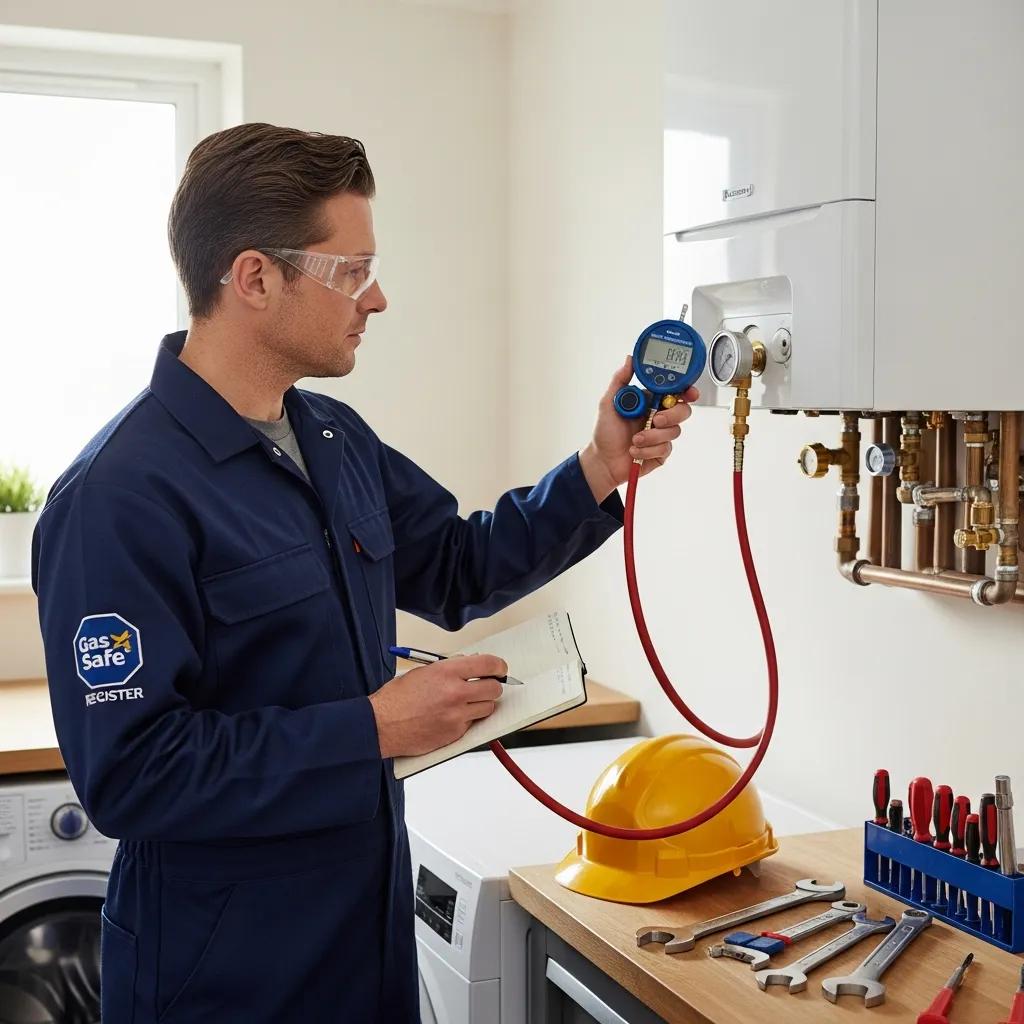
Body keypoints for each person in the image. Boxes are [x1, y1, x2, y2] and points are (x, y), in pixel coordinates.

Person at [31, 123, 697, 1023]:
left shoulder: (333, 440)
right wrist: (372, 729)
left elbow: (460, 567)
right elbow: (136, 775)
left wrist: (599, 466)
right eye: (350, 270)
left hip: (362, 944)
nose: (375, 298)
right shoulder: (118, 495)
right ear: (254, 277)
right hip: (222, 977)